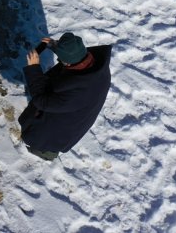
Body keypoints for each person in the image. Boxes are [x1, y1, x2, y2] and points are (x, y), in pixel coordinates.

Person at [18, 32, 112, 161]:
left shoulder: (77, 93)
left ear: (67, 62)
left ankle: (43, 153)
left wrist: (34, 69)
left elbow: (41, 101)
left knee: (43, 140)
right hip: (75, 113)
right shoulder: (94, 64)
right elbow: (74, 55)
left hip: (60, 130)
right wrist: (56, 47)